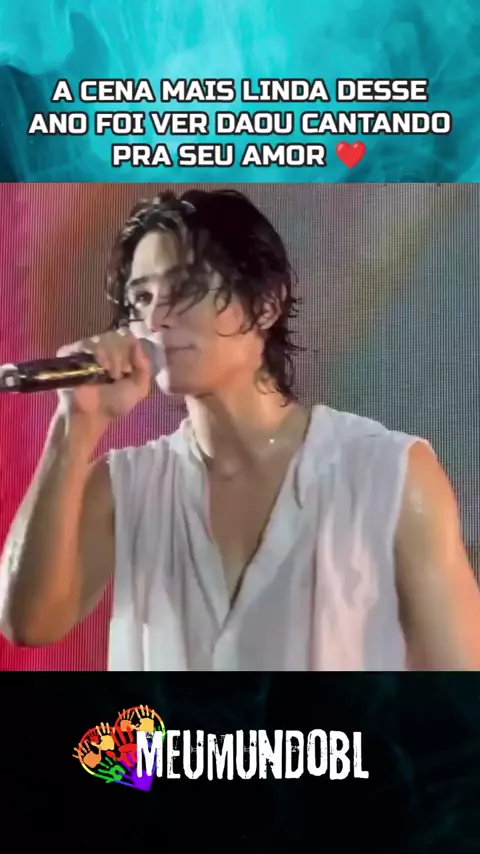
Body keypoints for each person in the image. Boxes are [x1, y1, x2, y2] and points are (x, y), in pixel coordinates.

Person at [1, 189, 479, 671]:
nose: (156, 318)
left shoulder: (388, 473)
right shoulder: (125, 485)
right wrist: (76, 424)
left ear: (266, 305)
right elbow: (28, 624)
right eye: (141, 297)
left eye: (185, 288)